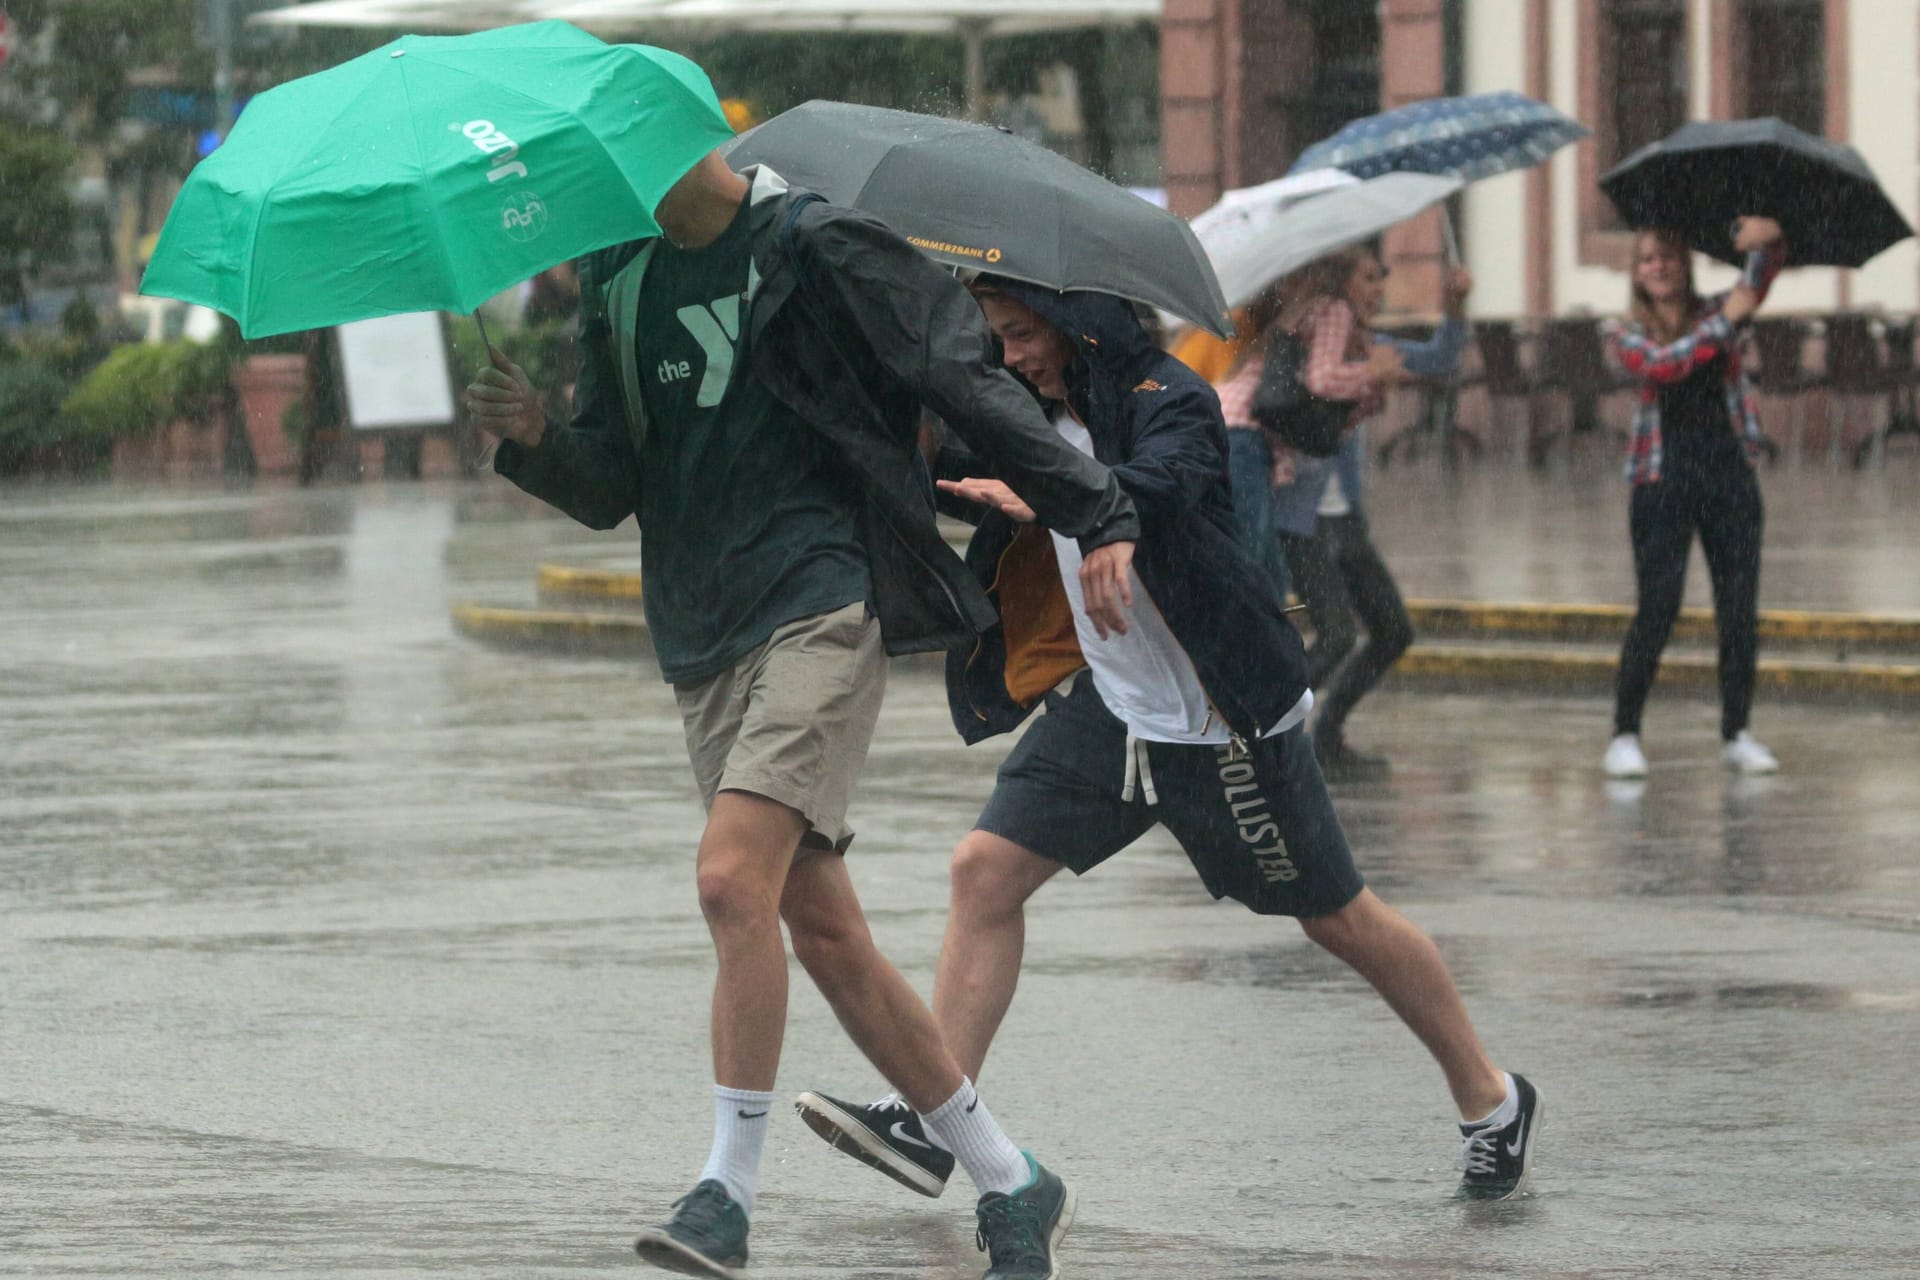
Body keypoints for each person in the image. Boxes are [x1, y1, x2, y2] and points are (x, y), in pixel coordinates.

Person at [463, 147, 1143, 1280]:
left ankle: (725, 1192)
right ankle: (1014, 1179)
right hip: (701, 630)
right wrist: (536, 439)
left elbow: (964, 379)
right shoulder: (618, 277)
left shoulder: (812, 246)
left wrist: (1096, 506)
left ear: (683, 146)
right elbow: (614, 484)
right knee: (824, 933)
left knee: (732, 879)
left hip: (822, 601)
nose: (596, 192)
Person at [790, 274, 1542, 1216]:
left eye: (1025, 333)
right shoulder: (1033, 410)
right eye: (1000, 336)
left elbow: (1171, 477)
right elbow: (991, 477)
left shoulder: (1164, 395)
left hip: (1219, 716)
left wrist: (1101, 512)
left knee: (1336, 915)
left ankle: (1493, 1099)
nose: (1013, 353)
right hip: (1114, 708)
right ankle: (937, 1123)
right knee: (983, 871)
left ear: (1076, 322)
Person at [1248, 247, 1469, 780]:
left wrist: (1456, 306)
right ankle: (1253, 726)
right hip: (1298, 520)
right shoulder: (1301, 350)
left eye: (1383, 277)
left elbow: (1438, 358)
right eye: (1369, 278)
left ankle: (1326, 734)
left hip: (1345, 520)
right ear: (1340, 284)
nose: (1379, 289)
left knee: (1393, 630)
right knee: (1337, 635)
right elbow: (1295, 398)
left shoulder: (1374, 345)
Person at [1603, 218, 1786, 779]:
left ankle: (1737, 731)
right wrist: (1724, 327)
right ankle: (1625, 733)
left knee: (1738, 610)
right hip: (1663, 481)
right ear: (1636, 272)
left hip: (1729, 475)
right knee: (1658, 608)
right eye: (1648, 260)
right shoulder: (1625, 328)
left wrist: (1769, 240)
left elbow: (1759, 280)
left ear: (1685, 265)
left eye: (1668, 258)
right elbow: (1665, 365)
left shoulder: (1716, 311)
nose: (1659, 267)